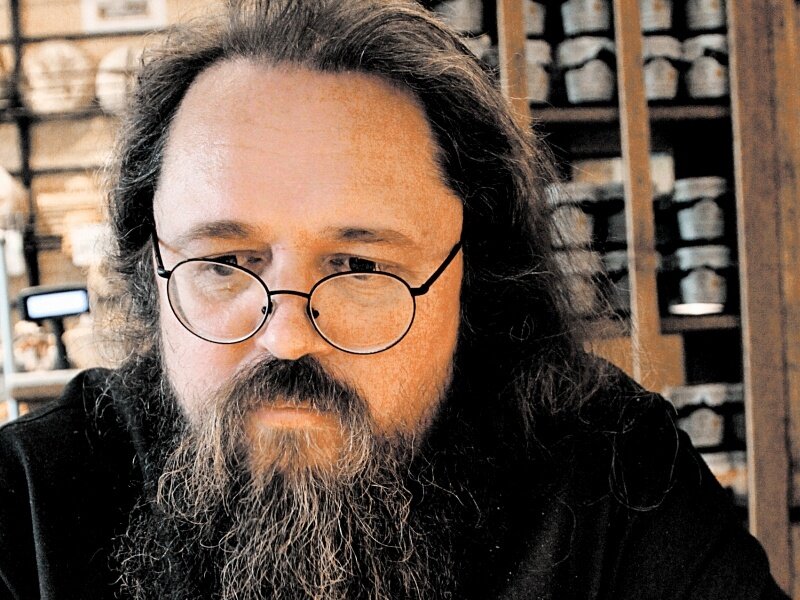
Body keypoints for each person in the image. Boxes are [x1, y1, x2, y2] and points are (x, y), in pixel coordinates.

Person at [0, 1, 789, 598]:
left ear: (473, 279)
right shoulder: (28, 503)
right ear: (152, 269)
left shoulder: (611, 478)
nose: (286, 337)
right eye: (225, 263)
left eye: (360, 266)